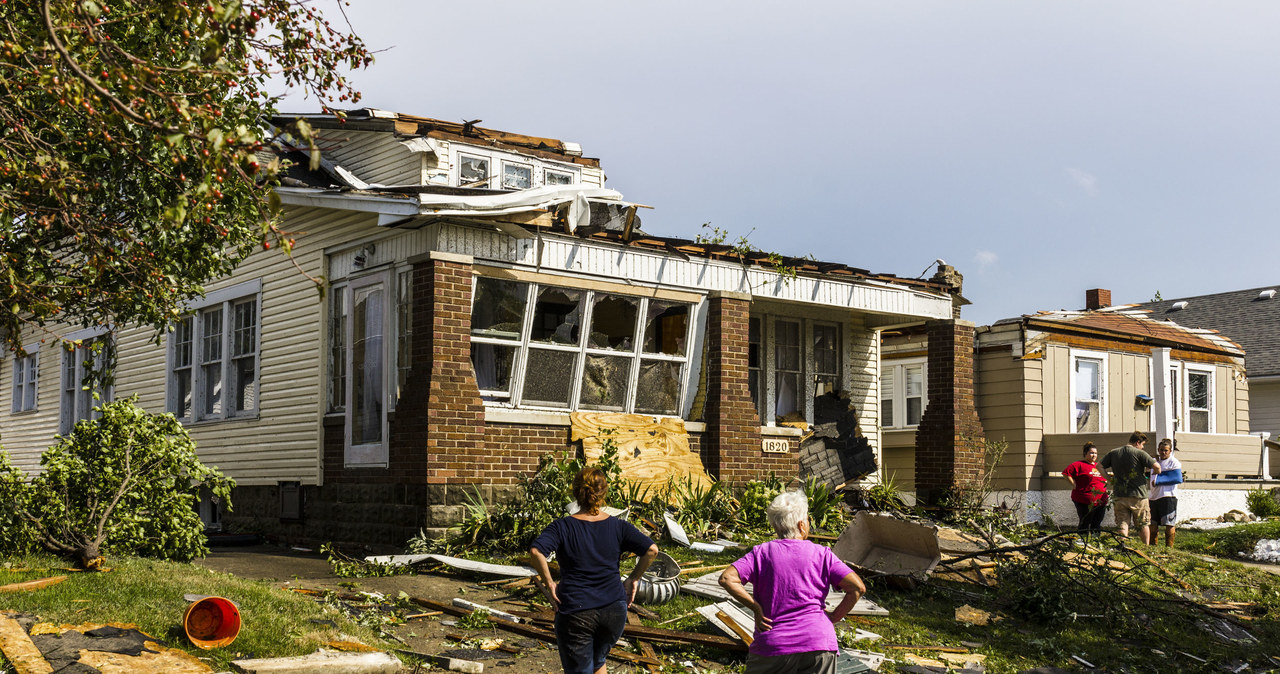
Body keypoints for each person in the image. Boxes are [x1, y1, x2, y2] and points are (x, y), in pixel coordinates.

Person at [718, 490, 867, 674]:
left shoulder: (762, 553)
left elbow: (727, 578)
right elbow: (857, 588)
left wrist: (756, 607)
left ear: (776, 525)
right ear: (801, 524)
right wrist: (833, 618)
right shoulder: (823, 554)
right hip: (818, 643)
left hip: (773, 644)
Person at [529, 467, 659, 674]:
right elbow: (652, 550)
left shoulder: (561, 527)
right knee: (598, 661)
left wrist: (550, 583)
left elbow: (536, 552)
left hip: (576, 612)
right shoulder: (619, 526)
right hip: (614, 611)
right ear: (604, 492)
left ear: (575, 492)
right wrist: (633, 578)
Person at [1100, 430, 1161, 541]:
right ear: (1137, 442)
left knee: (1122, 522)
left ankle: (1123, 547)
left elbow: (1099, 466)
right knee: (1142, 523)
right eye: (1142, 444)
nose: (1142, 447)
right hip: (1138, 495)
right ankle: (1145, 548)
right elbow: (1157, 467)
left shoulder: (1114, 452)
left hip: (1119, 494)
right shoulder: (1140, 453)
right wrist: (1154, 473)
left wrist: (1109, 479)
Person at [1062, 441, 1109, 536]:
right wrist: (1073, 484)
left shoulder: (1099, 466)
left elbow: (1105, 479)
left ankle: (1096, 542)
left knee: (1097, 523)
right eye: (1091, 453)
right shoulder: (1079, 464)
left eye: (1095, 453)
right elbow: (1066, 473)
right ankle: (1082, 541)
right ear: (1085, 453)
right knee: (1085, 522)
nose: (1094, 455)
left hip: (1101, 501)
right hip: (1084, 500)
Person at [1149, 438, 1183, 547]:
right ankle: (1153, 547)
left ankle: (1169, 548)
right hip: (1154, 497)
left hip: (1168, 497)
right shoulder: (1154, 462)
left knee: (1169, 523)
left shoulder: (1174, 462)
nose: (1163, 452)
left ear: (1170, 451)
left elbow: (1177, 478)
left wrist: (1159, 481)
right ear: (1158, 449)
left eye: (1166, 450)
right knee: (1153, 523)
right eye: (1161, 450)